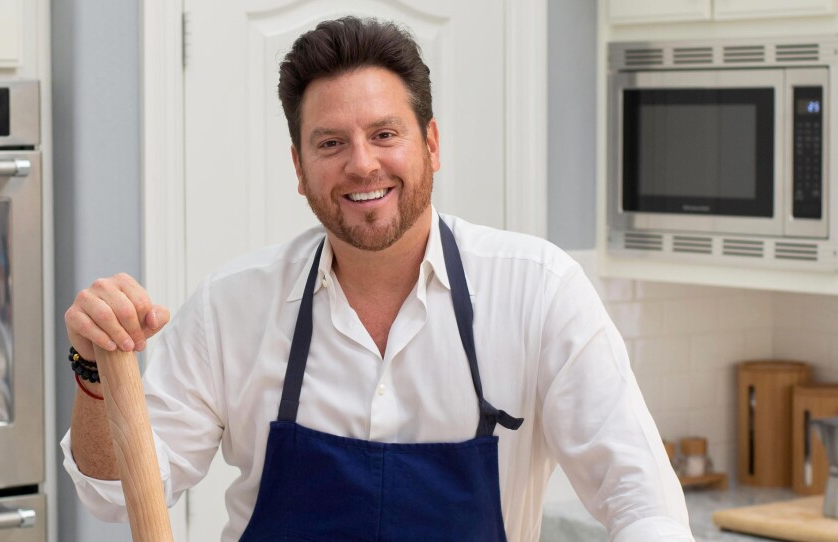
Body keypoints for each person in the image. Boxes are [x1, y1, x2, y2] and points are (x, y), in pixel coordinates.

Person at [62, 16, 694, 542]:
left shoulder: (539, 291)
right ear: (300, 167)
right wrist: (94, 372)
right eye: (330, 143)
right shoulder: (233, 306)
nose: (362, 164)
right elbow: (115, 492)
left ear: (432, 144)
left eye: (384, 134)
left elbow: (646, 506)